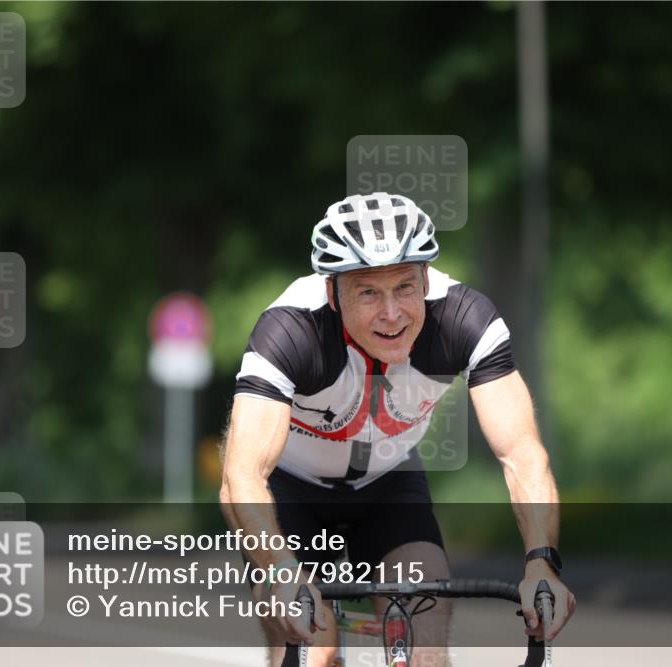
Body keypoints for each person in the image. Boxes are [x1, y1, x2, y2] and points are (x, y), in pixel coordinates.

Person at [220, 192, 575, 667]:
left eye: (405, 288)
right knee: (313, 649)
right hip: (291, 492)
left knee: (424, 647)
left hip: (388, 484)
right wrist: (280, 570)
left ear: (426, 278)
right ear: (333, 292)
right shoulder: (290, 331)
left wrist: (542, 562)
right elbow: (240, 477)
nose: (391, 313)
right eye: (367, 292)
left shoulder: (465, 320)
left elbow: (523, 454)